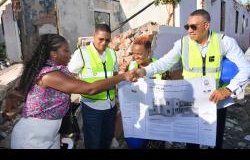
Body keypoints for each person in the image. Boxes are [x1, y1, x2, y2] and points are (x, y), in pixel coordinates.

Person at [132, 9, 250, 149]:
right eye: (187, 27)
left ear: (206, 25)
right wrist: (144, 70)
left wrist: (228, 90)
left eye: (194, 26)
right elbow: (164, 63)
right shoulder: (183, 44)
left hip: (216, 103)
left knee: (214, 142)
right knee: (191, 142)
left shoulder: (224, 42)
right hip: (191, 104)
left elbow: (246, 68)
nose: (189, 30)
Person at [5, 33, 135, 149]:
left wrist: (11, 97)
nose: (70, 54)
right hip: (32, 137)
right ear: (53, 53)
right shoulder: (49, 75)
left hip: (51, 135)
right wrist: (122, 76)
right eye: (66, 50)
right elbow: (90, 89)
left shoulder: (57, 70)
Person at [67, 24, 120, 149]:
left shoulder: (112, 53)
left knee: (107, 139)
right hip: (92, 107)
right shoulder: (82, 53)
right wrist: (81, 88)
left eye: (107, 40)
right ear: (94, 36)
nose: (104, 43)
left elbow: (115, 74)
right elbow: (69, 74)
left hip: (110, 106)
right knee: (93, 142)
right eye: (100, 39)